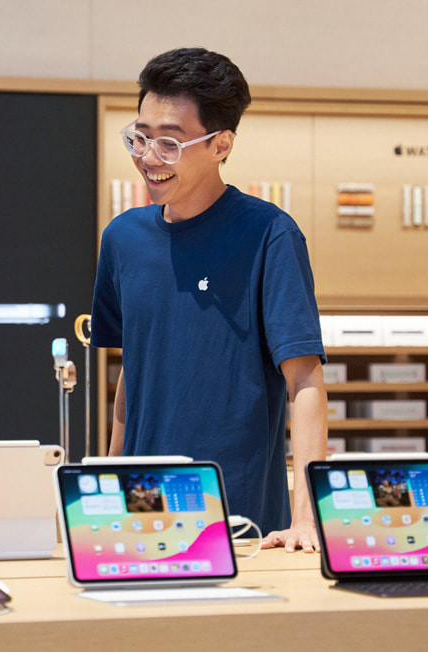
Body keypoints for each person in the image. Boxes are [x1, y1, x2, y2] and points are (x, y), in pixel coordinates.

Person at [91, 48, 328, 552]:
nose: (148, 157)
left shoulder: (270, 235)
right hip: (138, 509)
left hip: (238, 517)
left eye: (170, 144)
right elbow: (132, 371)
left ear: (220, 144)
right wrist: (108, 482)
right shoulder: (122, 238)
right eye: (140, 137)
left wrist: (308, 517)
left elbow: (305, 380)